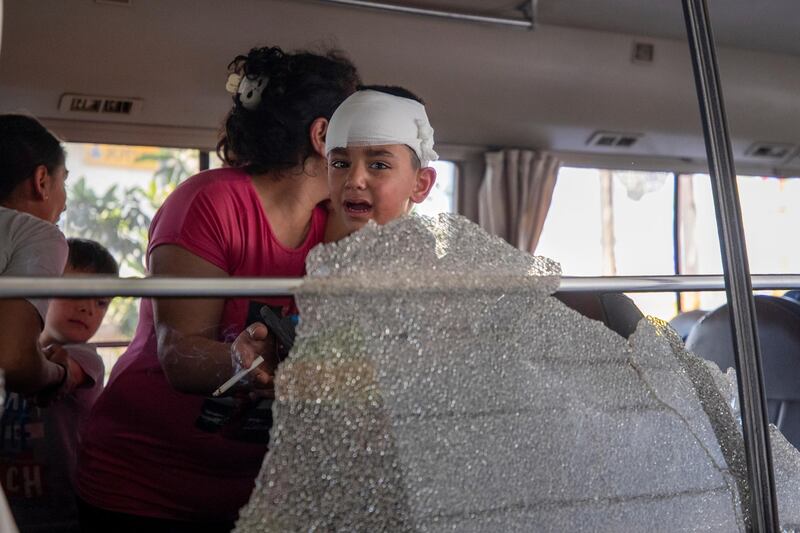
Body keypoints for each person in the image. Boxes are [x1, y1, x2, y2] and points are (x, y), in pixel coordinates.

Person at [75, 46, 360, 532]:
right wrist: (240, 362)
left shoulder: (335, 223)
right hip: (141, 487)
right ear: (323, 136)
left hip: (250, 494)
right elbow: (177, 353)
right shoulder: (210, 202)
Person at [0, 238, 117, 532]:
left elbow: (63, 372)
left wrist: (58, 370)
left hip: (63, 510)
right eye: (75, 293)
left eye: (101, 302)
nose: (88, 309)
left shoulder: (87, 359)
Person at [0, 114, 71, 396]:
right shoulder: (37, 234)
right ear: (41, 181)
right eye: (63, 183)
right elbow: (11, 361)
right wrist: (59, 375)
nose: (64, 205)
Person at [324, 85, 438, 239]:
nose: (354, 180)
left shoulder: (427, 262)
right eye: (340, 164)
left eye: (379, 165)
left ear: (420, 185)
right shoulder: (325, 253)